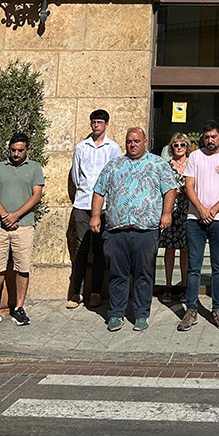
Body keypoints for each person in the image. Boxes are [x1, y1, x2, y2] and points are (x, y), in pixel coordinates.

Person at [90, 128, 177, 332]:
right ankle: (116, 314)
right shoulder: (114, 165)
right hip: (116, 231)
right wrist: (95, 216)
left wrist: (167, 214)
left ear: (145, 142)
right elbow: (98, 190)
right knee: (117, 274)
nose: (133, 144)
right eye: (129, 141)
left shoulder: (157, 164)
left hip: (145, 230)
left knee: (143, 274)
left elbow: (170, 189)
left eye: (137, 141)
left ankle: (141, 314)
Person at [178, 119, 219, 332]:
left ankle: (217, 309)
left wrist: (213, 210)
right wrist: (202, 210)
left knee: (218, 267)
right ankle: (191, 310)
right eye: (206, 137)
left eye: (213, 137)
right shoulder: (195, 157)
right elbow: (189, 186)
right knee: (193, 267)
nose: (210, 140)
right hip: (195, 220)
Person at [0, 133, 45, 327]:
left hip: (23, 225)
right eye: (13, 150)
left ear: (27, 149)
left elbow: (36, 195)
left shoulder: (34, 168)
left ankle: (19, 308)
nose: (16, 154)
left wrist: (16, 216)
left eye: (20, 150)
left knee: (22, 267)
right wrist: (6, 216)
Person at [68, 109, 122, 309]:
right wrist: (84, 192)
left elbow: (116, 176)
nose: (96, 125)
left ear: (106, 125)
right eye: (94, 122)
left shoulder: (113, 148)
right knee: (81, 248)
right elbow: (76, 174)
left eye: (100, 122)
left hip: (105, 206)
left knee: (100, 249)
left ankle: (96, 292)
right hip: (83, 203)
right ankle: (77, 291)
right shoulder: (81, 147)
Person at [160, 132, 190, 304]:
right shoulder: (166, 165)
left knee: (185, 250)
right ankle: (168, 285)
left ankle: (184, 286)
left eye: (182, 145)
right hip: (171, 210)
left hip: (187, 210)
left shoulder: (192, 164)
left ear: (187, 147)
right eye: (175, 145)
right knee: (169, 249)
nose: (179, 148)